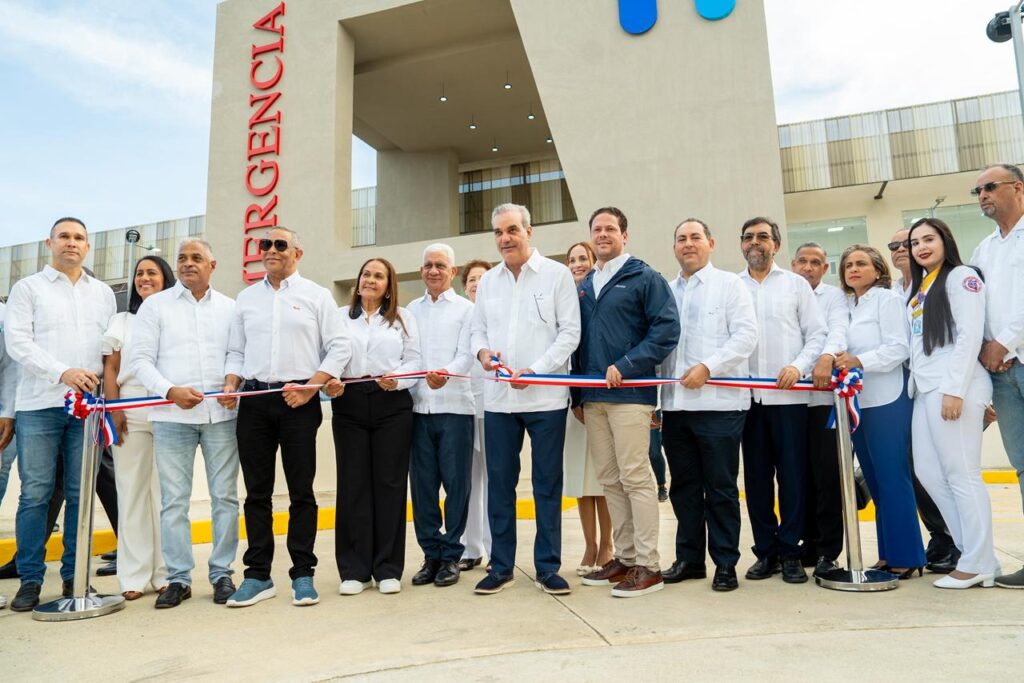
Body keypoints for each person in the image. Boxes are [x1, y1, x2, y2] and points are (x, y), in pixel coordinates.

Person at [223, 227, 351, 607]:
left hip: (299, 401)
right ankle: (258, 575)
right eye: (265, 244)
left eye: (281, 244)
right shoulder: (246, 299)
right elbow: (236, 351)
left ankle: (303, 573)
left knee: (301, 492)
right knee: (256, 493)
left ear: (298, 253)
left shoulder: (317, 295)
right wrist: (231, 382)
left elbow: (339, 346)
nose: (271, 250)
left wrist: (311, 387)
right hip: (254, 401)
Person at [4, 217, 116, 612]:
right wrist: (62, 372)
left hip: (88, 410)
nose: (72, 243)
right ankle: (31, 579)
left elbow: (110, 350)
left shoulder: (103, 294)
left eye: (79, 237)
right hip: (39, 405)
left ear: (88, 247)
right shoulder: (27, 288)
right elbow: (18, 343)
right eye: (64, 236)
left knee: (80, 494)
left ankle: (74, 577)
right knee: (35, 493)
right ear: (49, 243)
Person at [470, 203, 581, 596]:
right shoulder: (488, 282)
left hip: (546, 400)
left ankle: (548, 567)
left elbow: (570, 333)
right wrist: (483, 354)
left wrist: (536, 370)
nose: (505, 238)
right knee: (500, 485)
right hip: (499, 401)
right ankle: (501, 567)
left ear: (529, 232)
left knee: (547, 485)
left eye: (512, 230)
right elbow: (477, 331)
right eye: (499, 232)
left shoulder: (556, 275)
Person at [130, 238, 240, 609]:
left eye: (196, 258)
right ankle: (178, 579)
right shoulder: (155, 306)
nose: (188, 263)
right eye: (182, 258)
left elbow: (237, 353)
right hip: (171, 417)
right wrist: (169, 390)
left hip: (220, 417)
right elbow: (140, 361)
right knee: (174, 501)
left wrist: (232, 382)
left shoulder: (230, 307)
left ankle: (222, 574)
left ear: (213, 265)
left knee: (225, 498)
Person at [576, 206, 679, 598]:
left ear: (624, 235)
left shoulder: (645, 278)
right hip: (593, 398)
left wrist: (627, 364)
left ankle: (649, 566)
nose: (603, 234)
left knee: (636, 477)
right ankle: (625, 557)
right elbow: (577, 341)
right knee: (609, 478)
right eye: (597, 229)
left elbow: (666, 330)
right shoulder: (586, 284)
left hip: (631, 395)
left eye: (610, 229)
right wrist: (577, 396)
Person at [660, 218, 757, 592]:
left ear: (711, 243)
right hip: (676, 407)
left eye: (695, 237)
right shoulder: (666, 292)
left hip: (720, 406)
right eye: (681, 238)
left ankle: (725, 563)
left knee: (720, 488)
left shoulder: (730, 285)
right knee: (683, 487)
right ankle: (689, 560)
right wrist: (655, 402)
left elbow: (745, 336)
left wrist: (708, 367)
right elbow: (661, 349)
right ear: (674, 247)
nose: (688, 244)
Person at [905, 218, 1000, 588]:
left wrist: (955, 390)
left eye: (929, 239)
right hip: (925, 388)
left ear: (945, 240)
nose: (921, 247)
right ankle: (973, 552)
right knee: (929, 472)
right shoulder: (921, 287)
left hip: (954, 385)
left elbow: (969, 335)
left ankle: (978, 562)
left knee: (962, 473)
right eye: (915, 243)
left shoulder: (961, 277)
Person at [737, 217, 826, 584]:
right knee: (757, 482)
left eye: (763, 236)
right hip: (746, 401)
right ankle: (766, 552)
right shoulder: (733, 286)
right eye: (748, 237)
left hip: (788, 399)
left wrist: (798, 366)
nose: (755, 242)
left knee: (792, 478)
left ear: (775, 244)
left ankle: (791, 552)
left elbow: (817, 334)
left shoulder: (795, 285)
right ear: (741, 245)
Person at [328, 257, 420, 596]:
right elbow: (327, 355)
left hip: (391, 403)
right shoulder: (339, 317)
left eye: (378, 276)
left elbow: (415, 361)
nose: (370, 280)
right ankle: (355, 570)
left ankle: (387, 569)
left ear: (388, 285)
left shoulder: (403, 318)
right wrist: (329, 382)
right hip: (349, 401)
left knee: (390, 484)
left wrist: (397, 379)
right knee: (353, 485)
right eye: (366, 274)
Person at [835, 244, 926, 578]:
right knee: (874, 480)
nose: (853, 269)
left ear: (878, 270)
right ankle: (888, 554)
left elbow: (899, 348)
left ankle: (908, 555)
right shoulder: (846, 305)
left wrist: (859, 361)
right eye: (848, 265)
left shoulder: (887, 300)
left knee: (892, 477)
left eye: (861, 263)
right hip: (858, 402)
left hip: (888, 399)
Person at [101, 255, 175, 600]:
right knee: (130, 492)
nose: (144, 278)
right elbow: (111, 368)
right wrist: (115, 408)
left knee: (164, 495)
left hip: (169, 409)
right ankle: (132, 576)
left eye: (152, 273)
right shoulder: (122, 320)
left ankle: (164, 574)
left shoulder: (175, 316)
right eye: (139, 273)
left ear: (166, 279)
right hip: (129, 409)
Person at [889, 229, 959, 573]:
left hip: (941, 385)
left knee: (949, 467)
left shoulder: (947, 282)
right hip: (904, 388)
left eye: (911, 243)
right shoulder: (891, 292)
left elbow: (965, 335)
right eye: (896, 246)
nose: (903, 249)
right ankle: (938, 536)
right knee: (917, 467)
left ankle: (955, 540)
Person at [407, 243, 475, 588]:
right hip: (418, 409)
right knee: (422, 488)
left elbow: (467, 354)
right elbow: (408, 355)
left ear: (453, 271)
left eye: (440, 265)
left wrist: (447, 373)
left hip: (455, 408)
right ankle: (431, 554)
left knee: (456, 485)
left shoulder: (467, 310)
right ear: (421, 271)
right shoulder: (409, 311)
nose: (433, 271)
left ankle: (451, 555)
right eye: (428, 265)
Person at [969, 163, 1024, 588]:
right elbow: (974, 306)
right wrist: (989, 349)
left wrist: (1003, 342)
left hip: (1013, 355)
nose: (983, 195)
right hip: (1002, 375)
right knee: (1022, 466)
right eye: (978, 191)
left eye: (990, 187)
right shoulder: (983, 250)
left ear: (1017, 188)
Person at [791, 242, 848, 577]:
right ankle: (807, 543)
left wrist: (826, 356)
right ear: (793, 264)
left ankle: (828, 550)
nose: (808, 267)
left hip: (824, 401)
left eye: (816, 262)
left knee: (826, 477)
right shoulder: (786, 290)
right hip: (790, 401)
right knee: (799, 477)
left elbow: (838, 330)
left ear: (825, 268)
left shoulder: (834, 297)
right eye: (803, 261)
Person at [564, 241, 613, 575]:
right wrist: (574, 398)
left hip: (600, 398)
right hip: (572, 403)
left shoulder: (600, 295)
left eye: (583, 258)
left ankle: (607, 544)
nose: (577, 264)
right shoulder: (564, 298)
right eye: (572, 260)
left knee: (602, 477)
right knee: (580, 480)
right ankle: (589, 545)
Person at [458, 259, 492, 571]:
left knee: (494, 482)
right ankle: (470, 549)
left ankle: (496, 551)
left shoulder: (496, 314)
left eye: (483, 278)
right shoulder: (459, 315)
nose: (477, 284)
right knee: (468, 482)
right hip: (463, 408)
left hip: (492, 408)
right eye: (472, 279)